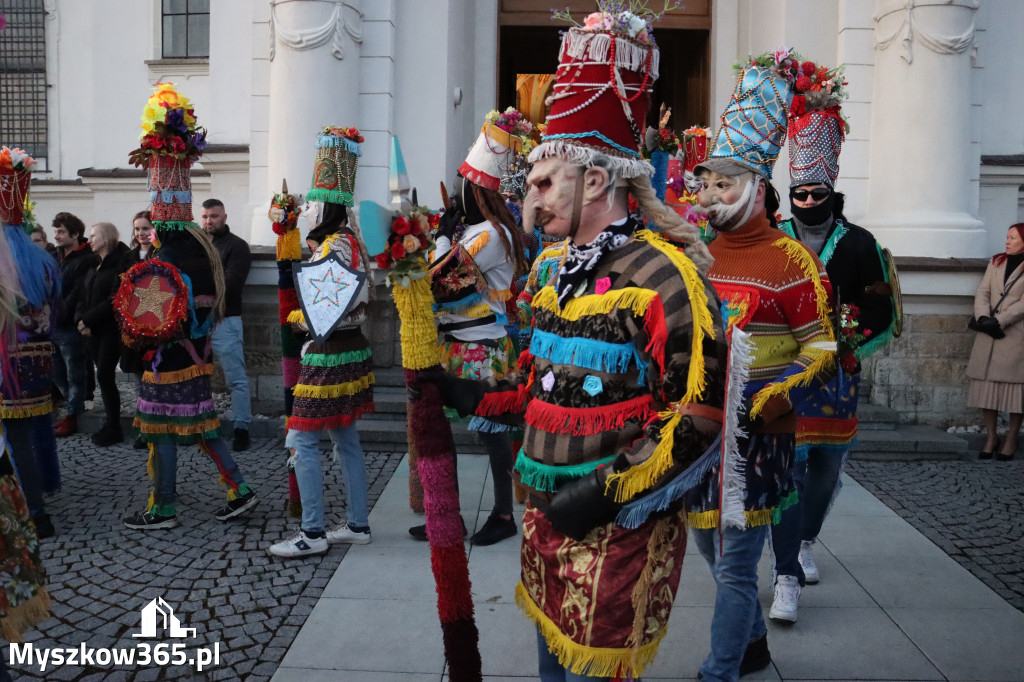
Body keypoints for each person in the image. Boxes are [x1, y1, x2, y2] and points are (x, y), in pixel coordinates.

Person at [421, 7, 723, 680]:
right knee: (549, 662)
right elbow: (539, 386)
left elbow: (699, 417)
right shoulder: (552, 271)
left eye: (541, 182)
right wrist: (466, 391)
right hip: (542, 519)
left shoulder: (666, 278)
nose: (528, 198)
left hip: (617, 530)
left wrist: (608, 492)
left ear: (595, 180)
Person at [685, 48, 836, 681]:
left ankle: (721, 671)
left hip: (758, 439)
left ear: (759, 188)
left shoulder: (793, 261)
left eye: (727, 183)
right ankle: (750, 648)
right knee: (707, 551)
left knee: (737, 565)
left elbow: (823, 349)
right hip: (696, 434)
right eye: (708, 183)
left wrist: (778, 395)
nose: (714, 195)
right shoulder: (692, 254)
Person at [770, 59, 897, 621]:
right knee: (791, 465)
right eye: (797, 193)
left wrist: (853, 339)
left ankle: (805, 538)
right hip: (785, 373)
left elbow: (880, 305)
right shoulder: (772, 240)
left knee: (826, 466)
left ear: (832, 189)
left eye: (815, 193)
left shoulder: (860, 243)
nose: (806, 202)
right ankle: (786, 563)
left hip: (840, 375)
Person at [121, 83, 257, 529]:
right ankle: (238, 489)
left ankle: (163, 507)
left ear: (159, 218)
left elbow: (151, 321)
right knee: (203, 426)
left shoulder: (163, 260)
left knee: (161, 432)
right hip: (196, 358)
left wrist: (132, 339)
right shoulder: (203, 252)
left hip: (169, 360)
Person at [409, 112, 531, 547]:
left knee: (493, 432)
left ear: (473, 191)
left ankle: (502, 513)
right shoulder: (486, 230)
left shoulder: (489, 235)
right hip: (461, 343)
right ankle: (447, 514)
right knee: (446, 431)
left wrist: (441, 239)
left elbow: (443, 279)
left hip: (481, 346)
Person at [268, 126, 375, 557]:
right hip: (351, 345)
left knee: (302, 439)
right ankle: (358, 524)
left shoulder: (334, 244)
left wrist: (294, 317)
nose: (307, 209)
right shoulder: (354, 240)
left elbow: (321, 311)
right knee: (345, 440)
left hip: (329, 351)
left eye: (312, 202)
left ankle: (312, 533)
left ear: (325, 206)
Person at [0, 147, 62, 541]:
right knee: (36, 432)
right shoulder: (42, 260)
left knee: (14, 439)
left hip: (5, 366)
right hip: (39, 364)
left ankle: (30, 512)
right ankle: (39, 508)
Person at [966, 223, 1024, 461]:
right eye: (1007, 237)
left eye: (1012, 238)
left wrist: (1000, 320)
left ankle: (1011, 437)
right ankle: (991, 436)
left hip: (1014, 334)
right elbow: (983, 292)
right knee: (986, 389)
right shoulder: (996, 261)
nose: (1007, 241)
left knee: (1015, 392)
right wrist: (983, 317)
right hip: (987, 333)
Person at [200, 198, 253, 451]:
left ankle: (242, 427)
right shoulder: (197, 245)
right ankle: (202, 424)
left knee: (236, 378)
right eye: (205, 217)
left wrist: (200, 296)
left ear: (224, 217)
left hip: (225, 319)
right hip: (198, 321)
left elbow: (232, 285)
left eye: (214, 216)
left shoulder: (237, 246)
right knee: (198, 377)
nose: (209, 221)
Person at [76, 222, 130, 446]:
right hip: (94, 331)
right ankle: (110, 423)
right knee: (103, 377)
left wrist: (87, 319)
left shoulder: (119, 263)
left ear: (106, 238)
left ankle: (114, 425)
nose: (89, 241)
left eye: (93, 236)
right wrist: (81, 320)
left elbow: (113, 300)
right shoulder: (95, 264)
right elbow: (83, 295)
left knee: (105, 376)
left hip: (110, 330)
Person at [51, 211, 98, 437]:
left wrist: (57, 314)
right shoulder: (55, 256)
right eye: (56, 232)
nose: (57, 236)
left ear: (75, 233)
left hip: (69, 324)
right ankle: (73, 407)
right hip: (52, 324)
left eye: (61, 232)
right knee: (56, 372)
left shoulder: (86, 258)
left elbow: (78, 293)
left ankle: (73, 414)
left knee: (75, 372)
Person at [121, 210, 156, 449]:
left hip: (155, 325)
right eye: (137, 229)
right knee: (137, 381)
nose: (141, 233)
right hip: (132, 326)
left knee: (153, 380)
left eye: (145, 228)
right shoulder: (128, 256)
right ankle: (143, 426)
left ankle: (154, 426)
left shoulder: (162, 253)